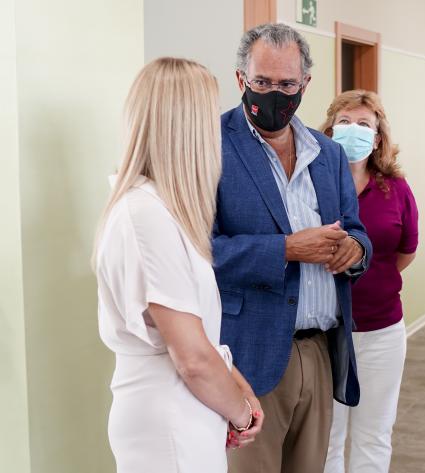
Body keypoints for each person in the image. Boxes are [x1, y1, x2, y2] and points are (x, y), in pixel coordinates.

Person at [213, 24, 372, 473]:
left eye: (286, 85)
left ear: (305, 83)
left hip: (319, 351)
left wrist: (355, 250)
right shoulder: (210, 143)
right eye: (262, 82)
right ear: (241, 79)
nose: (274, 95)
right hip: (249, 353)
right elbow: (200, 252)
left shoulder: (328, 153)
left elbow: (357, 231)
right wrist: (285, 249)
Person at [93, 57, 263, 473]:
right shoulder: (145, 217)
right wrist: (240, 414)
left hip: (185, 411)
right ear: (188, 128)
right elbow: (193, 359)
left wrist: (239, 388)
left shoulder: (162, 210)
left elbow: (198, 337)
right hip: (169, 422)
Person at [321, 90, 419, 473]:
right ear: (330, 130)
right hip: (325, 331)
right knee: (326, 437)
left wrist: (370, 274)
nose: (353, 130)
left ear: (377, 139)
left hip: (381, 331)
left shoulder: (396, 189)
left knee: (374, 433)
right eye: (345, 122)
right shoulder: (313, 184)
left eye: (364, 124)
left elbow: (404, 253)